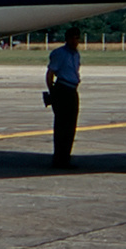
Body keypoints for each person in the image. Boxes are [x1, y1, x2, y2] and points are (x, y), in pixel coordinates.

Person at [45, 27, 82, 169]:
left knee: (70, 127)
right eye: (72, 38)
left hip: (72, 90)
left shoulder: (76, 54)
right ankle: (59, 158)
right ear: (67, 39)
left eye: (77, 38)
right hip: (63, 89)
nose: (75, 41)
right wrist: (52, 92)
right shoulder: (60, 54)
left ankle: (65, 157)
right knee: (62, 126)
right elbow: (50, 73)